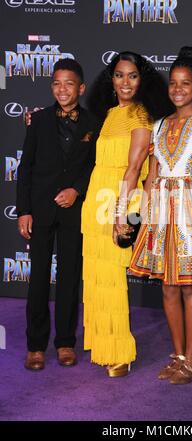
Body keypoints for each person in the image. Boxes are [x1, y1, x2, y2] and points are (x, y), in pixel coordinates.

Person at [129, 47, 192, 384]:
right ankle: (178, 355)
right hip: (161, 215)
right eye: (173, 83)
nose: (178, 89)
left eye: (185, 83)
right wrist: (142, 218)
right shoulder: (158, 124)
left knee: (190, 289)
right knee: (168, 288)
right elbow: (151, 175)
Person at [81, 51, 173, 377]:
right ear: (112, 80)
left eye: (132, 76)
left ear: (142, 79)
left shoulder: (141, 117)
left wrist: (122, 215)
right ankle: (102, 342)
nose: (125, 82)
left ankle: (120, 350)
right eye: (119, 75)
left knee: (112, 279)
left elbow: (134, 169)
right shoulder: (109, 114)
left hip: (121, 201)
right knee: (96, 277)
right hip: (96, 199)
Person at [17, 59, 99, 370]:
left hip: (73, 212)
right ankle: (35, 346)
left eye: (68, 84)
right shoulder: (37, 121)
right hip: (39, 211)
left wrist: (77, 190)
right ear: (52, 87)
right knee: (37, 278)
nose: (61, 89)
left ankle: (65, 342)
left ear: (81, 87)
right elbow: (25, 168)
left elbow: (94, 167)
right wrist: (24, 210)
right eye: (56, 83)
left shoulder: (93, 123)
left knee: (67, 280)